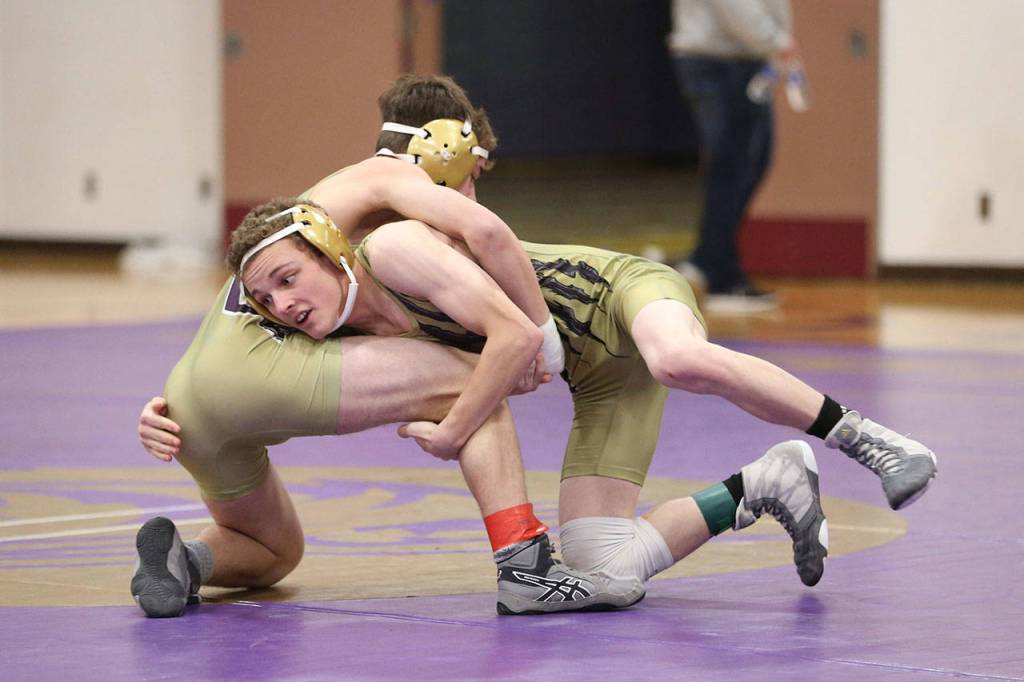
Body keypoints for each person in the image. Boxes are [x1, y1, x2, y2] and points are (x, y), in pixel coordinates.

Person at [129, 77, 654, 618]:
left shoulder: (322, 222)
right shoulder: (387, 179)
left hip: (191, 407)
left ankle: (184, 561)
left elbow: (237, 317)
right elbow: (489, 234)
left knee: (273, 553)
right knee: (474, 390)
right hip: (253, 368)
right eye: (472, 174)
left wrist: (172, 405)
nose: (470, 192)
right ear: (443, 148)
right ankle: (527, 568)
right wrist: (540, 338)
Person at [669, 0, 800, 313]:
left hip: (746, 59)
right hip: (718, 62)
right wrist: (775, 40)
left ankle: (707, 260)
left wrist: (777, 41)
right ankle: (720, 277)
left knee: (751, 162)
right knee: (731, 166)